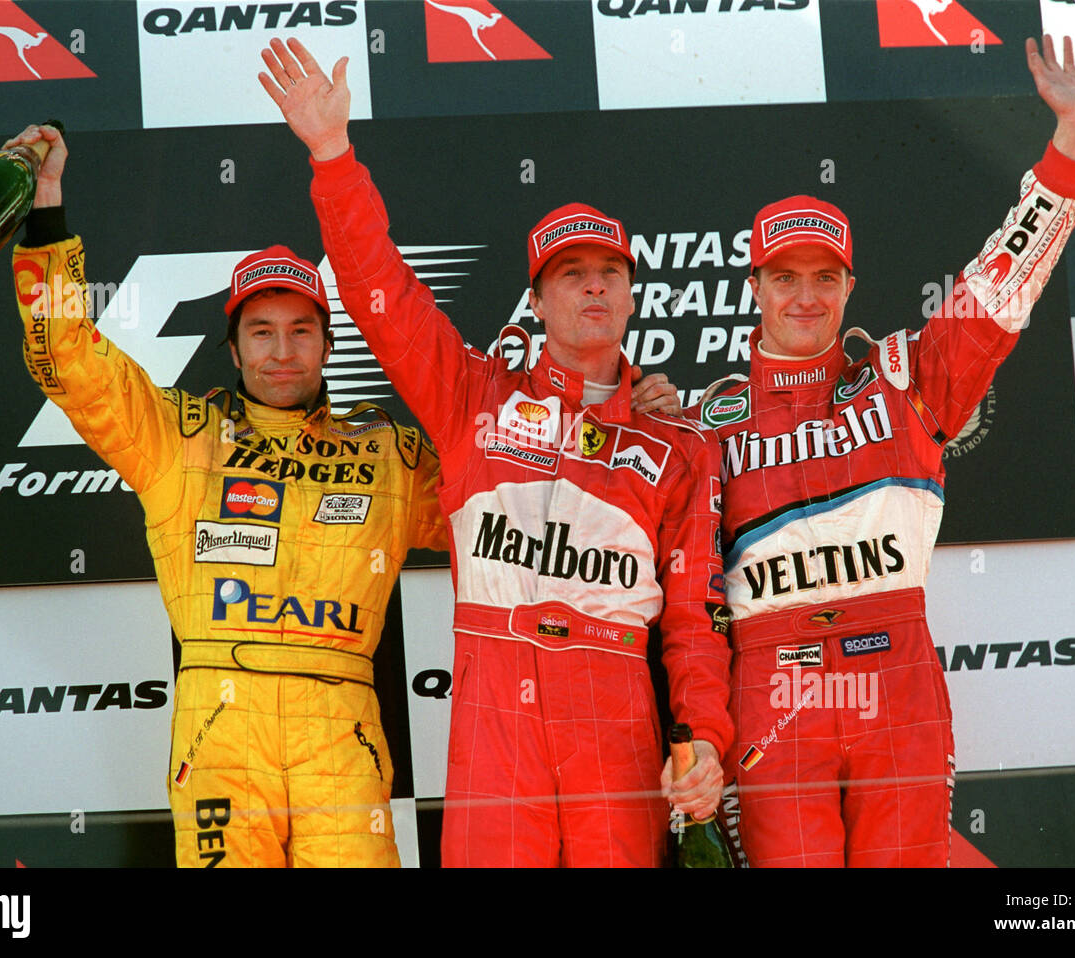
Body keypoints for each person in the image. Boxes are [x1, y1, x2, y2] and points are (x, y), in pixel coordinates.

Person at [257, 39, 733, 867]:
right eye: (569, 273)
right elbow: (383, 296)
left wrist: (707, 738)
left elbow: (695, 623)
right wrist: (332, 156)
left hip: (615, 709)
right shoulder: (471, 395)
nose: (592, 287)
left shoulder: (678, 444)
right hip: (495, 702)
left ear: (630, 294)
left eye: (607, 273)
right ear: (539, 298)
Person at [686, 35, 1075, 866]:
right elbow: (685, 597)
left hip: (896, 672)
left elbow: (999, 287)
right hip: (774, 686)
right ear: (753, 287)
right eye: (784, 277)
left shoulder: (906, 376)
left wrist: (1071, 148)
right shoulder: (705, 425)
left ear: (850, 285)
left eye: (823, 277)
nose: (804, 296)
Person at [6, 124, 446, 867]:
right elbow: (71, 363)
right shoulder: (179, 436)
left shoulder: (388, 456)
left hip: (341, 736)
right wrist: (46, 209)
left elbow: (508, 490)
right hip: (219, 729)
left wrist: (621, 414)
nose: (282, 351)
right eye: (262, 331)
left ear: (328, 345)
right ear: (233, 347)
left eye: (302, 331)